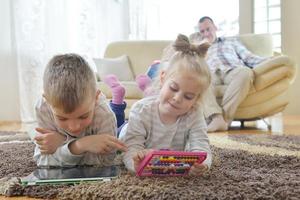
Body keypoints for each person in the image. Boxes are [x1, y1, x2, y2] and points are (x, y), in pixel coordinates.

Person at [104, 34, 212, 176]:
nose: (177, 98)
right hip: (126, 132)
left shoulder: (194, 113)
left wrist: (202, 164)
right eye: (173, 88)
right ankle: (119, 100)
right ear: (162, 78)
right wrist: (135, 163)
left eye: (188, 96)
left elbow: (201, 146)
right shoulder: (141, 110)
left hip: (153, 143)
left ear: (196, 99)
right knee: (116, 133)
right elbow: (130, 148)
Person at [33, 53, 127, 167]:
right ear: (47, 101)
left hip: (110, 124)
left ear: (95, 98)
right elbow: (42, 161)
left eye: (83, 116)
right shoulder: (43, 108)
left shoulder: (104, 114)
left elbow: (106, 161)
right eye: (62, 118)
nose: (74, 127)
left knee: (123, 131)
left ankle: (118, 108)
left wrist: (63, 143)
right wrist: (79, 145)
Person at [190, 16, 268, 132]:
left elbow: (248, 57)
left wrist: (269, 61)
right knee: (200, 80)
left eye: (208, 29)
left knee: (246, 72)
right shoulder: (199, 47)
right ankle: (218, 117)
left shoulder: (231, 41)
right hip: (210, 74)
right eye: (202, 31)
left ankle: (222, 120)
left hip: (232, 70)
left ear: (215, 27)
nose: (206, 33)